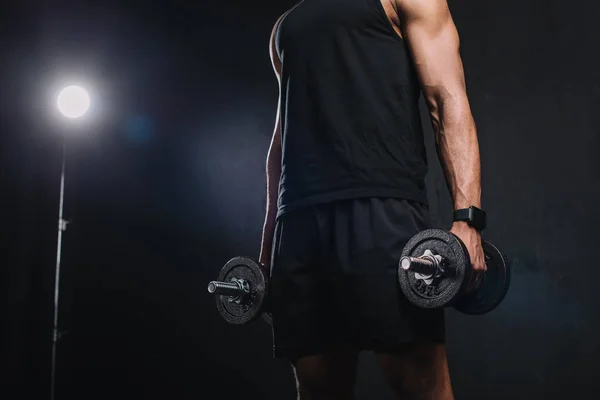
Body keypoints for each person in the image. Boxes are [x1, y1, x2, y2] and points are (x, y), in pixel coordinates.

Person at [258, 0, 486, 398]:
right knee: (315, 387)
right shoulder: (285, 27)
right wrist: (268, 250)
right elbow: (281, 141)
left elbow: (447, 99)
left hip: (383, 211)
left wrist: (467, 218)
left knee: (422, 385)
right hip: (298, 223)